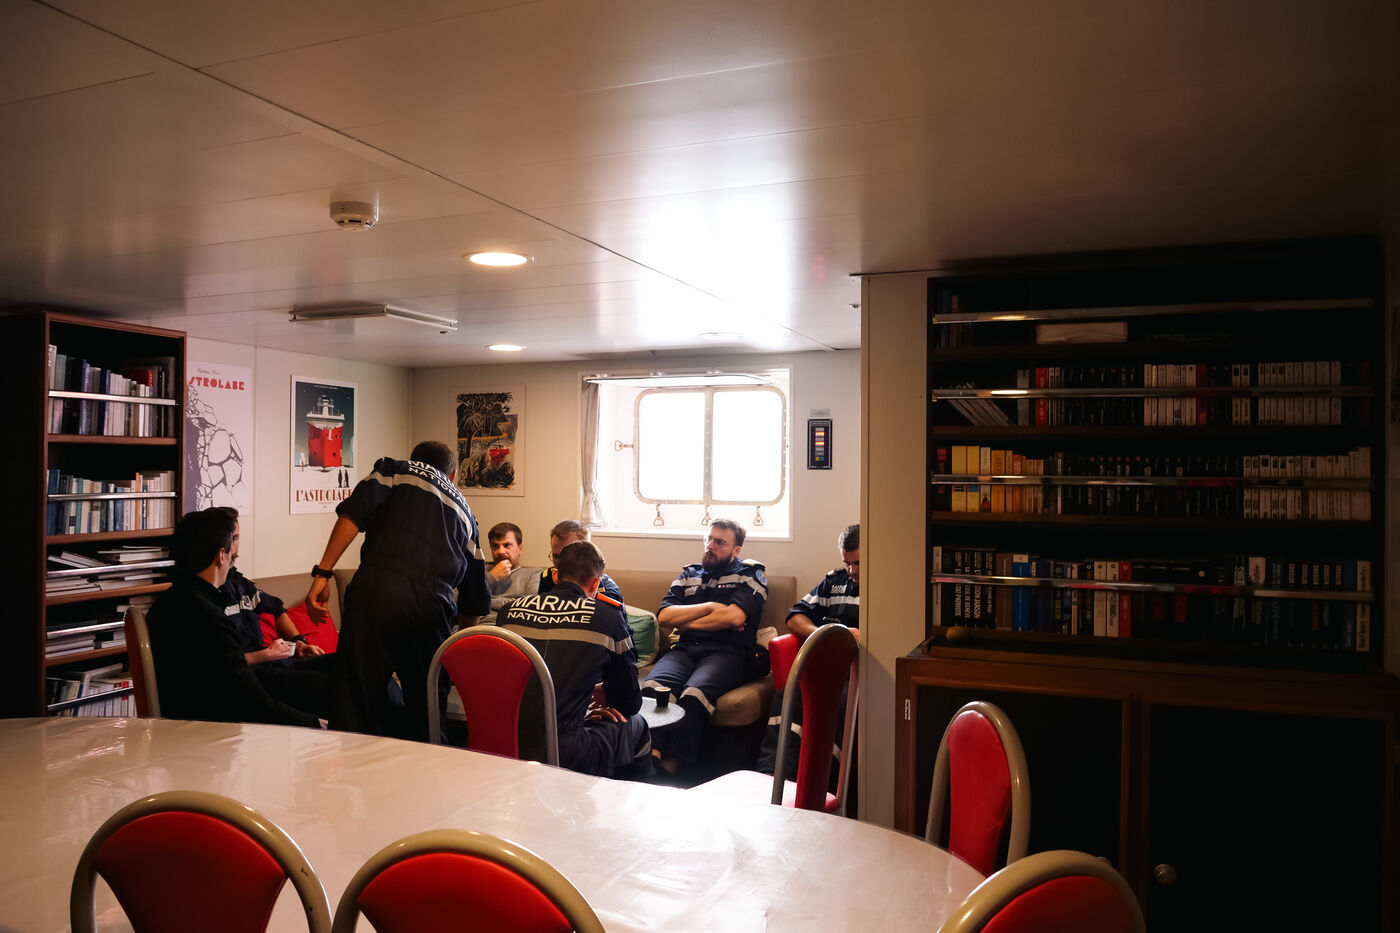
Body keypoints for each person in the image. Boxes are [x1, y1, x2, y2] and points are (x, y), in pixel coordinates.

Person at [305, 440, 491, 740]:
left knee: (355, 701)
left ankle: (353, 765)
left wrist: (323, 572)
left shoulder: (394, 470)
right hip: (431, 612)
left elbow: (353, 514)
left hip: (374, 596)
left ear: (415, 459)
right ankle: (431, 761)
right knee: (428, 711)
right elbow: (475, 601)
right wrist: (457, 655)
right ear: (453, 475)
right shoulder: (467, 515)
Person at [146, 508, 321, 728]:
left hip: (180, 721)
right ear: (221, 555)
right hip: (213, 729)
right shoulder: (211, 617)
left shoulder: (164, 605)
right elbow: (254, 704)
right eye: (231, 550)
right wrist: (317, 725)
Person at [500, 540, 651, 777]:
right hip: (565, 753)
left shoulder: (508, 612)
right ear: (596, 583)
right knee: (636, 725)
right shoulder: (608, 618)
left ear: (556, 576)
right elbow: (629, 703)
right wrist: (598, 700)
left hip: (502, 743)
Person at [643, 519, 767, 778]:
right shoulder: (689, 574)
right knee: (653, 690)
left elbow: (734, 617)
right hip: (685, 650)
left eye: (720, 542)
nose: (710, 546)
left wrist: (686, 623)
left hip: (727, 653)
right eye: (709, 539)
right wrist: (711, 607)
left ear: (736, 550)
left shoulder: (750, 574)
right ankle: (650, 760)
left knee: (694, 695)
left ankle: (669, 770)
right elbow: (665, 617)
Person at [756, 524, 860, 783]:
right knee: (787, 695)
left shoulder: (888, 587)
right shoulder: (834, 582)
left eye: (858, 563)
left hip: (859, 675)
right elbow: (794, 617)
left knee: (838, 704)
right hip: (825, 667)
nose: (852, 571)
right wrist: (822, 633)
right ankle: (773, 775)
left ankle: (820, 783)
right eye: (847, 563)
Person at [216, 507, 336, 720]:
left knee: (360, 666)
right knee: (336, 688)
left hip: (280, 662)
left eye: (237, 538)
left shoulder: (241, 583)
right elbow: (223, 664)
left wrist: (299, 642)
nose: (235, 546)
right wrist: (267, 654)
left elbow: (276, 608)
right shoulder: (208, 598)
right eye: (232, 538)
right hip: (257, 674)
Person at [537, 519, 622, 603]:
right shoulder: (547, 578)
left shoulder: (607, 590)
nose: (560, 563)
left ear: (587, 552)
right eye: (556, 556)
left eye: (567, 556)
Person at [484, 521, 542, 622]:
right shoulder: (481, 570)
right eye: (495, 546)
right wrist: (491, 578)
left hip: (510, 627)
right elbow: (456, 599)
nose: (501, 551)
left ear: (520, 548)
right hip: (473, 626)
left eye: (507, 545)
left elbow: (530, 605)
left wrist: (481, 600)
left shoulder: (533, 573)